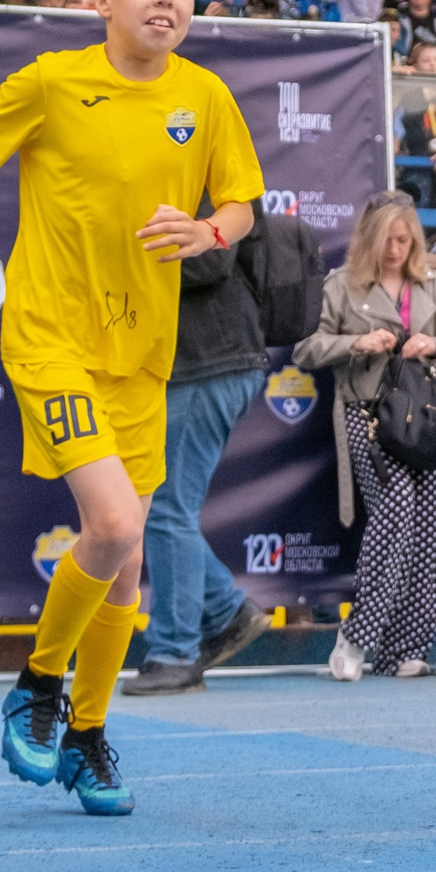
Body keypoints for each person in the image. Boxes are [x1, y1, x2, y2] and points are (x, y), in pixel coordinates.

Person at [0, 0, 265, 815]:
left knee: (124, 570)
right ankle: (38, 686)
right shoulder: (51, 81)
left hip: (143, 356)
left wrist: (209, 229)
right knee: (118, 524)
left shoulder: (205, 96)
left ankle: (86, 735)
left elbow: (242, 200)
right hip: (49, 339)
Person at [291, 195, 436, 680]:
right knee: (396, 508)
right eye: (386, 240)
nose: (395, 249)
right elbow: (307, 348)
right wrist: (357, 343)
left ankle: (407, 648)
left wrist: (433, 344)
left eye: (403, 239)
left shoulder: (434, 286)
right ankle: (357, 636)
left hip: (426, 417)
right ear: (369, 239)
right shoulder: (343, 285)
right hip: (368, 415)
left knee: (429, 526)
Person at [123, 217, 279, 695]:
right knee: (163, 507)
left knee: (167, 507)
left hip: (207, 360)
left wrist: (130, 251)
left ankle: (174, 651)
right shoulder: (190, 167)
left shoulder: (199, 169)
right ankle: (225, 611)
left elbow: (212, 259)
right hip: (205, 359)